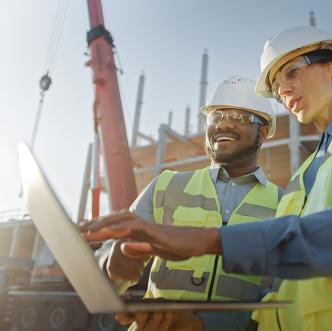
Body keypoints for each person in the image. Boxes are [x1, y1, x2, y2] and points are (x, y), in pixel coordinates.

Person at [84, 26, 332, 331]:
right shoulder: (300, 183)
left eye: (293, 72)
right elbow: (278, 299)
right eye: (279, 87)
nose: (285, 89)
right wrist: (197, 322)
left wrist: (202, 239)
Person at [93, 75, 282, 331]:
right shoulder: (166, 186)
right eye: (215, 117)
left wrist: (207, 324)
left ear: (262, 132)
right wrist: (112, 263)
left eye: (238, 118)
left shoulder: (285, 204)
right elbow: (109, 257)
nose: (223, 125)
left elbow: (281, 298)